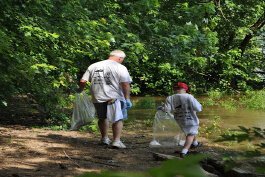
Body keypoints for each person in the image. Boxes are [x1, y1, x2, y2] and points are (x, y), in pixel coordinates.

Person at [78, 50, 132, 149]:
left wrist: (80, 90)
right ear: (120, 58)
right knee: (118, 119)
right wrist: (127, 99)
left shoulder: (93, 66)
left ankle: (104, 139)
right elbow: (125, 84)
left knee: (102, 118)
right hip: (115, 97)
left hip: (98, 96)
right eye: (122, 60)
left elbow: (82, 81)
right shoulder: (120, 67)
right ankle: (116, 141)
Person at [164, 82, 202, 157]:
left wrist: (162, 108)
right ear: (185, 89)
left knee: (190, 132)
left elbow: (167, 110)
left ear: (174, 89)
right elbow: (198, 108)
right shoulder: (189, 97)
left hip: (178, 120)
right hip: (191, 119)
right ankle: (184, 151)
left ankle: (195, 143)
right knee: (190, 134)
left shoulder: (170, 98)